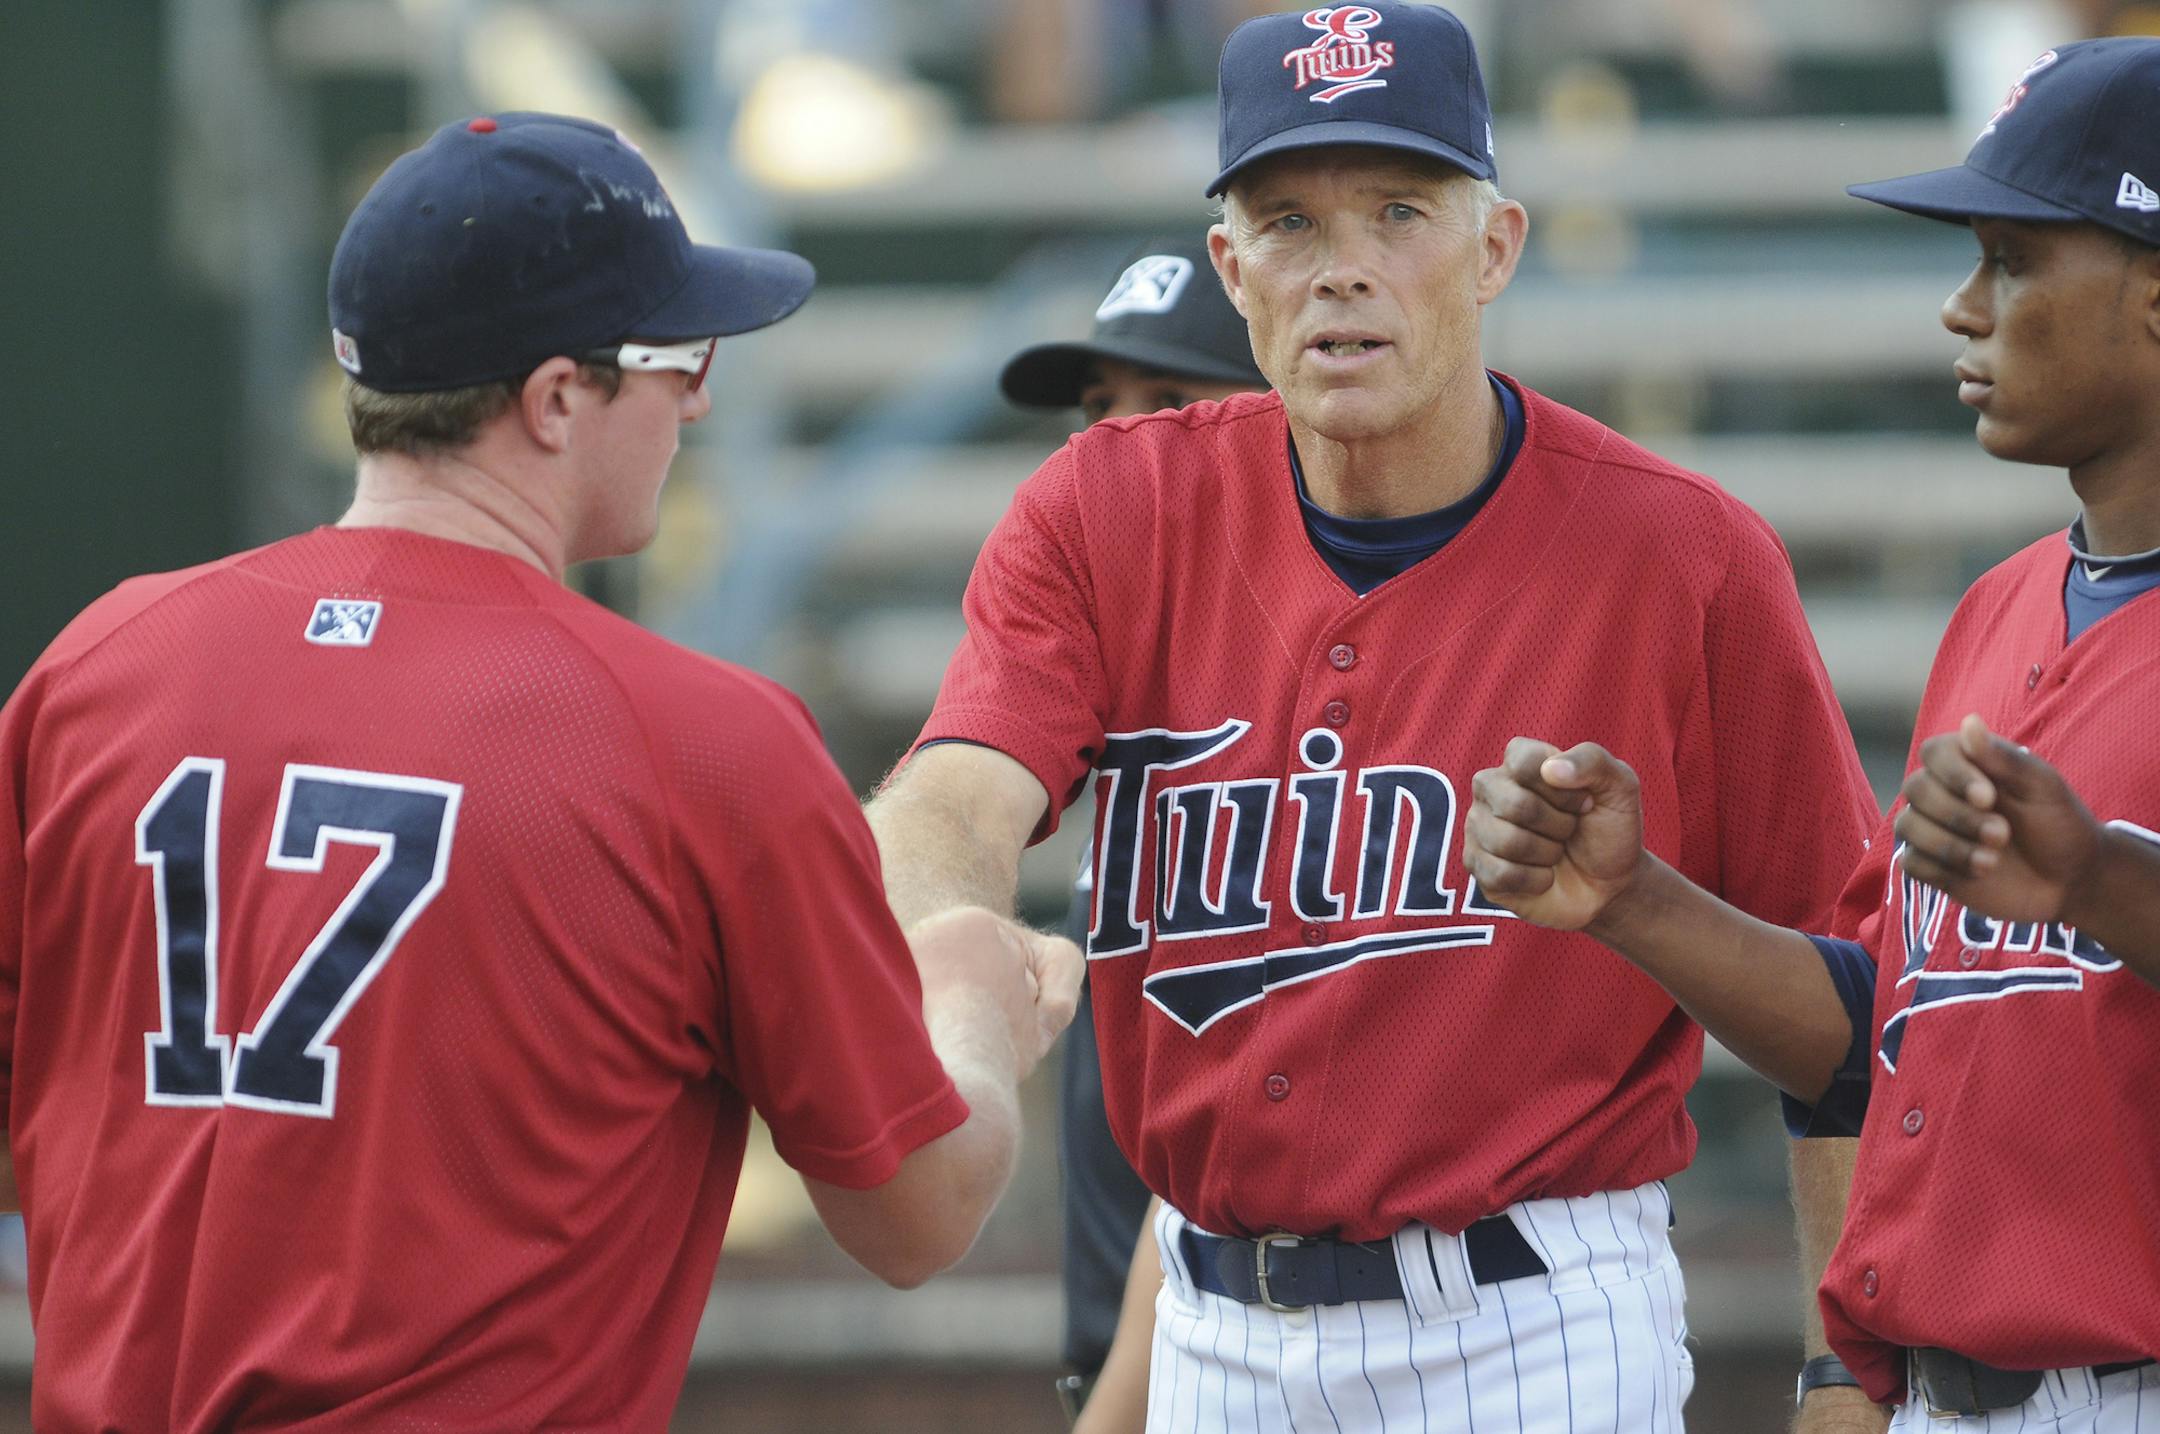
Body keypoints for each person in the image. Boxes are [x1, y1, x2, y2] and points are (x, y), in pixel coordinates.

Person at [864, 6, 1880, 1429]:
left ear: (1496, 247)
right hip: (1211, 1326)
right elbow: (952, 795)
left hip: (1534, 1319)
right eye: (1287, 222)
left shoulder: (1685, 555)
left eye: (1399, 210)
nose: (1343, 267)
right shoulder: (1106, 507)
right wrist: (947, 964)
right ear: (1232, 266)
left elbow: (1854, 1011)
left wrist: (1847, 1366)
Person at [0, 111, 1080, 1432]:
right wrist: (971, 1003)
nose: (698, 393)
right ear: (556, 397)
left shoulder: (101, 661)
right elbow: (919, 1210)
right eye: (676, 356)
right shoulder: (699, 741)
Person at [1463, 37, 2160, 1430]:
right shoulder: (2003, 607)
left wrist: (2095, 882)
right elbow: (1871, 1039)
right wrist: (1635, 900)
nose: (1963, 309)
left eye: (2012, 261)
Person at [999, 234, 1270, 1421]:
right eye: (1100, 406)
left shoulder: (1310, 709)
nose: (1116, 445)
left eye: (1172, 402)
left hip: (1224, 1359)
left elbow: (1221, 1165)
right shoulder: (1128, 663)